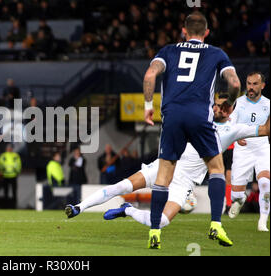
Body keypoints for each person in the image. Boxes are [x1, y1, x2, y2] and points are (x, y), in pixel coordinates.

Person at [66, 96, 270, 235]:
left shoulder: (235, 129)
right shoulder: (200, 118)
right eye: (215, 104)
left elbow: (265, 129)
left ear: (229, 110)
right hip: (166, 165)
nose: (216, 107)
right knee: (121, 186)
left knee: (161, 222)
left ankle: (127, 210)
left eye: (221, 105)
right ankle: (78, 207)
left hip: (184, 182)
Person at [142, 11, 240, 248]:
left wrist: (147, 106)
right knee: (217, 168)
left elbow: (149, 75)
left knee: (164, 175)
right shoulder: (217, 53)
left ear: (184, 31)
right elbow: (235, 83)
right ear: (206, 32)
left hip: (173, 116)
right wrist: (230, 103)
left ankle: (155, 231)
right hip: (200, 117)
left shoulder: (168, 51)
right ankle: (216, 224)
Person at [228, 72, 270, 231]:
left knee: (266, 183)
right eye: (249, 83)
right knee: (236, 195)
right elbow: (230, 125)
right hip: (243, 149)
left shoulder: (268, 104)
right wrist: (236, 137)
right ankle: (239, 200)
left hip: (262, 147)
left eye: (255, 84)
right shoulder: (238, 103)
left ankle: (263, 221)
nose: (251, 87)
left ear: (262, 86)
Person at [0, 144, 22, 208]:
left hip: (13, 175)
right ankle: (6, 206)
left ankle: (14, 206)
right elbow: (0, 165)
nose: (9, 149)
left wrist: (17, 171)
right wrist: (1, 171)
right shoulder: (3, 156)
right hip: (5, 176)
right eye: (8, 147)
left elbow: (19, 164)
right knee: (6, 192)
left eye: (10, 147)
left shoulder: (15, 155)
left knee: (14, 192)